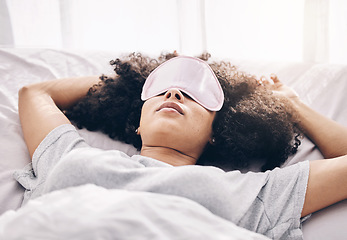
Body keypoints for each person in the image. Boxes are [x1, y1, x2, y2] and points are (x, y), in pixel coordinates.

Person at [16, 52, 347, 239]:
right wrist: (135, 83)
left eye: (193, 95)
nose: (174, 93)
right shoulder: (70, 157)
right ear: (137, 123)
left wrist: (291, 106)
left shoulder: (256, 193)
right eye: (163, 91)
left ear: (216, 132)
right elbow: (35, 94)